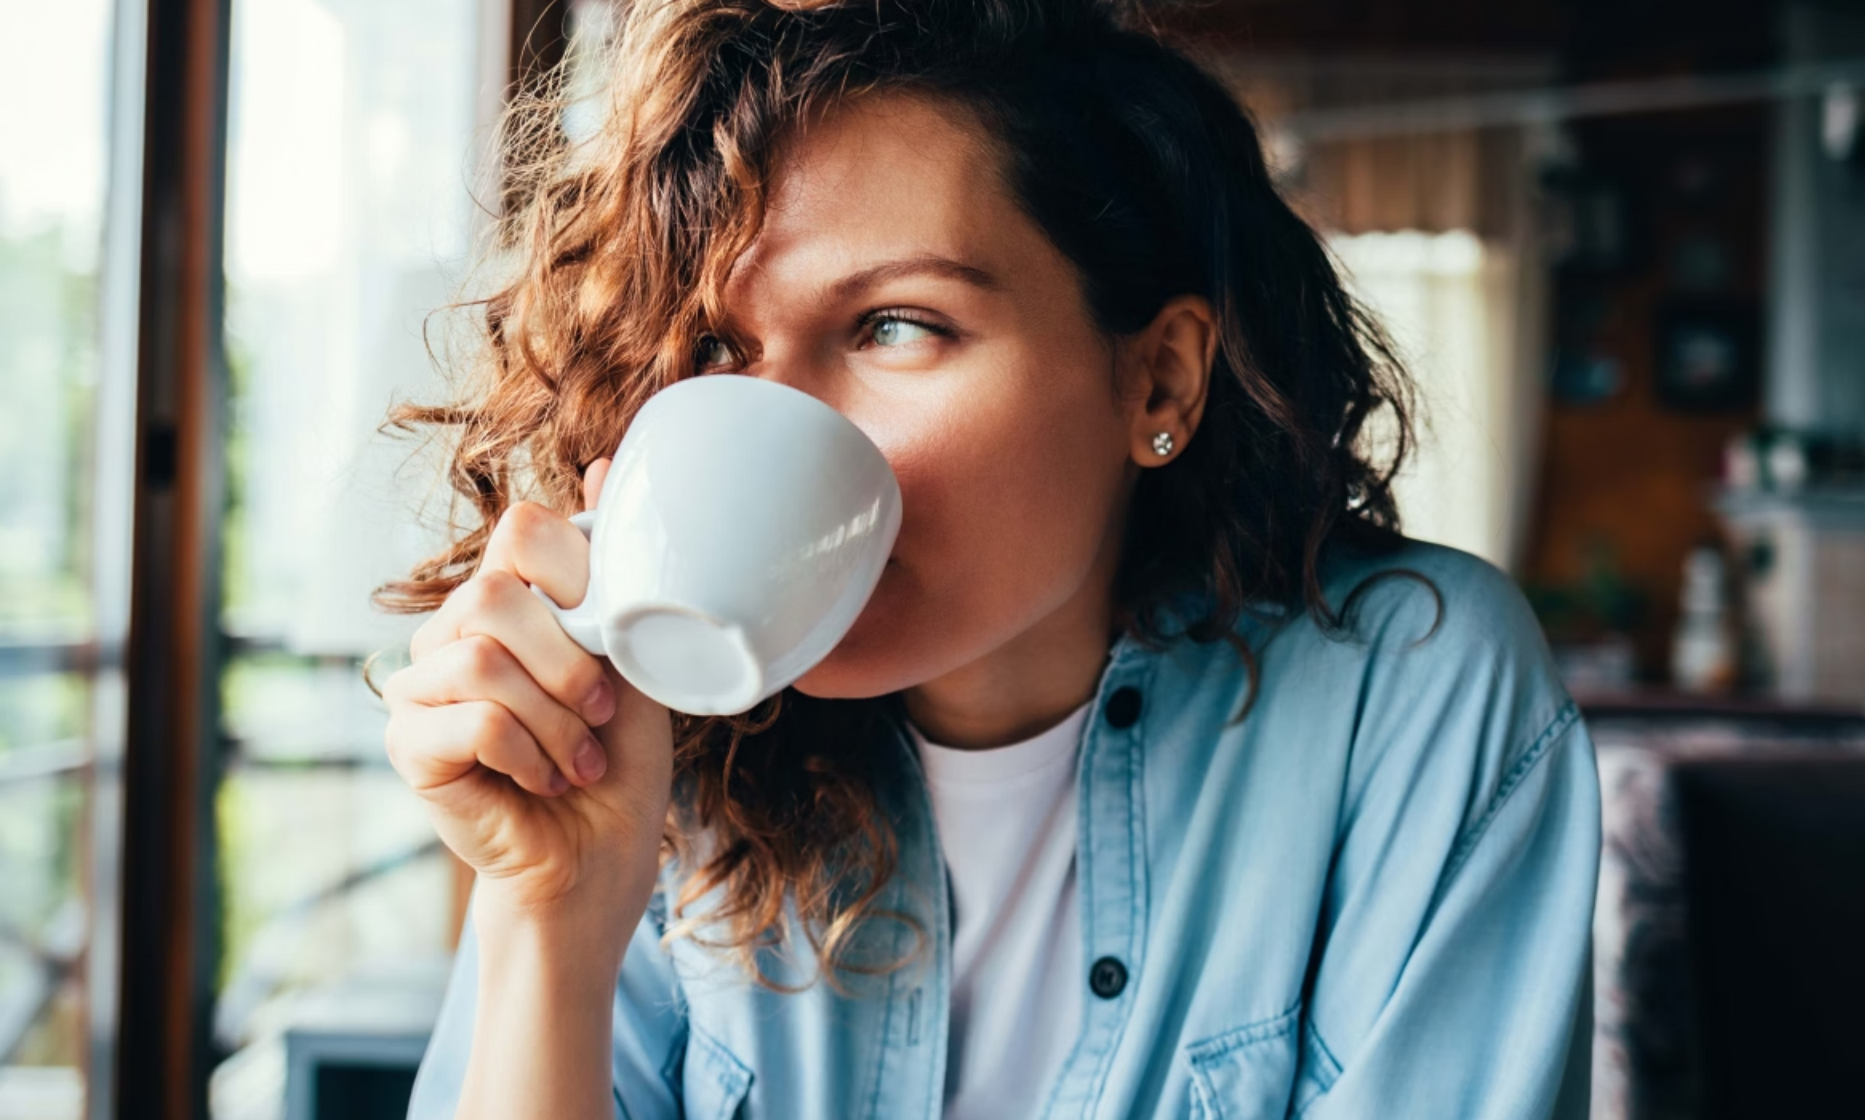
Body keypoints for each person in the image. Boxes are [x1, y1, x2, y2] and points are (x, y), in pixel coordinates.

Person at [382, 0, 1601, 1116]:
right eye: (715, 344)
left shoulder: (1408, 693)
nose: (780, 423)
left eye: (896, 325)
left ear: (1157, 377)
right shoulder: (654, 756)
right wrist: (552, 923)